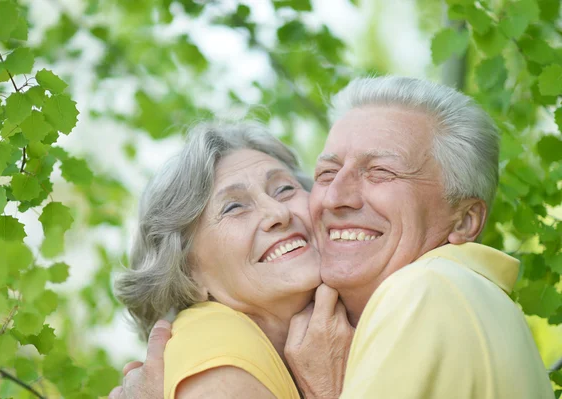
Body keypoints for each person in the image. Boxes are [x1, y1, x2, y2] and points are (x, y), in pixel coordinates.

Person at [110, 76, 555, 398]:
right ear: (188, 267)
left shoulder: (422, 293)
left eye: (380, 171)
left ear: (463, 220)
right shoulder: (213, 348)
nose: (336, 196)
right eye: (326, 173)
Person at [111, 122, 353, 399]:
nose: (278, 213)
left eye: (284, 189)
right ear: (187, 272)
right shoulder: (213, 350)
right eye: (234, 207)